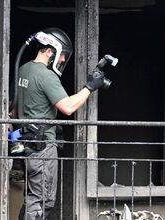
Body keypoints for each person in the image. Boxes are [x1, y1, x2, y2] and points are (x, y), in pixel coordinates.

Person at [15, 27, 107, 220]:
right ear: (50, 50)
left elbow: (15, 109)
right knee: (42, 200)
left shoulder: (23, 70)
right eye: (62, 54)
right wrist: (90, 87)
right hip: (42, 147)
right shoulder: (46, 76)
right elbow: (68, 107)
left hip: (27, 144)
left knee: (33, 197)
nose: (63, 59)